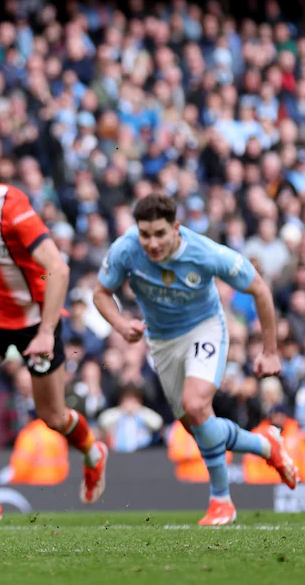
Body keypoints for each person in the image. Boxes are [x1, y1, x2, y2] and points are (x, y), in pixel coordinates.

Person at [93, 192, 299, 525]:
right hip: (162, 342)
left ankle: (221, 501)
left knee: (195, 404)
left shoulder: (205, 252)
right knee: (198, 426)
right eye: (145, 234)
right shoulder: (126, 249)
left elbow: (259, 288)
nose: (152, 242)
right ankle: (266, 446)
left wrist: (271, 350)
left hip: (204, 329)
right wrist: (119, 323)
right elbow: (101, 293)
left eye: (160, 233)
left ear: (176, 228)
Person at [0, 134, 108, 521]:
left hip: (36, 320)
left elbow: (59, 268)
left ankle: (92, 451)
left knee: (52, 416)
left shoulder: (12, 207)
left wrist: (47, 331)